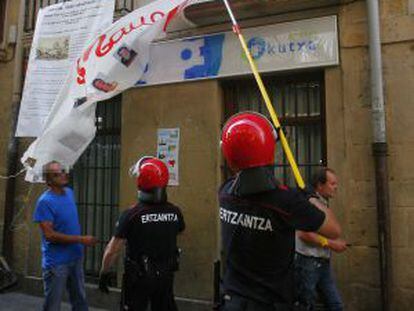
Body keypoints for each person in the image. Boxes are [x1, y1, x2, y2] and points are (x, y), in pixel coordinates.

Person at [219, 112, 342, 311]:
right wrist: (310, 198)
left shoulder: (225, 193)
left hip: (232, 301)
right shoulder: (286, 202)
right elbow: (334, 230)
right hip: (270, 303)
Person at [98, 156, 185, 311]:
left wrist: (104, 273)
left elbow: (113, 250)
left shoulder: (131, 215)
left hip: (137, 278)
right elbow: (177, 233)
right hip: (165, 275)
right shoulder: (175, 212)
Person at [33, 161, 98, 311]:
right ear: (49, 180)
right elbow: (49, 235)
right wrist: (81, 239)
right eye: (57, 174)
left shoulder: (69, 192)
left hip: (75, 257)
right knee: (53, 305)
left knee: (80, 302)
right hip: (57, 263)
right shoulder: (45, 202)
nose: (63, 174)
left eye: (63, 170)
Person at [295, 168, 347, 311]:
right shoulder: (311, 204)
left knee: (335, 305)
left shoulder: (321, 202)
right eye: (332, 183)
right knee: (305, 305)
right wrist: (332, 245)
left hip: (321, 262)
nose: (336, 187)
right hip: (307, 262)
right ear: (320, 185)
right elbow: (304, 234)